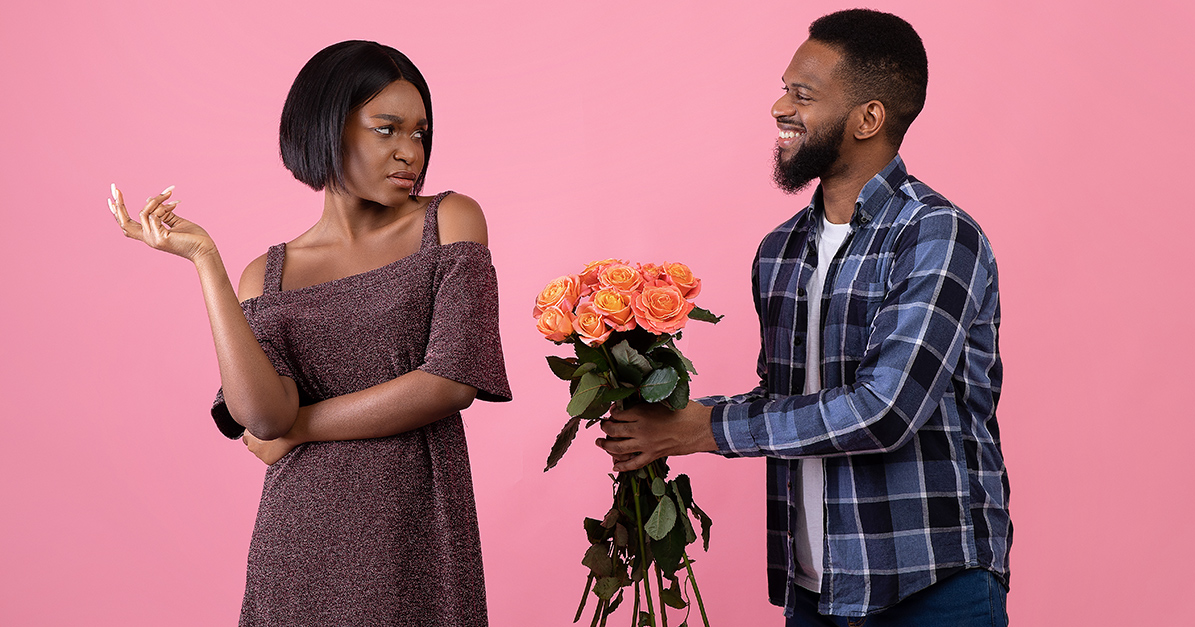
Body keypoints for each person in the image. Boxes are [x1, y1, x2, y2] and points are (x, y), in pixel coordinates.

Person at [597, 10, 1010, 626]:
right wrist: (663, 416)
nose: (779, 108)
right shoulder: (780, 250)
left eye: (803, 95)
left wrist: (703, 430)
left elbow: (884, 411)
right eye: (784, 89)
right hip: (814, 591)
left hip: (931, 585)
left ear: (868, 119)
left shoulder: (938, 236)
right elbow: (784, 400)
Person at [107, 41, 510, 626]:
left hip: (417, 532)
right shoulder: (266, 276)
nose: (410, 152)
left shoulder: (449, 221)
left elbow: (449, 382)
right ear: (328, 129)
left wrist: (301, 429)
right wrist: (206, 261)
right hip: (299, 546)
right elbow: (263, 418)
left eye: (420, 134)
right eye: (386, 129)